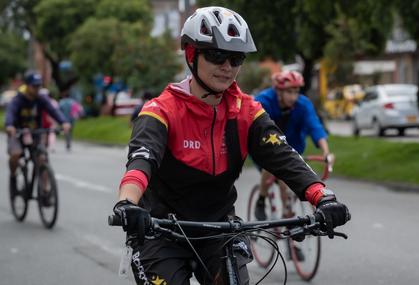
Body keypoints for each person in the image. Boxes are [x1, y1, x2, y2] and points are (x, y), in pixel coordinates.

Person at [111, 6, 350, 285]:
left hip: (219, 230)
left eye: (236, 58)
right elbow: (141, 162)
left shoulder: (246, 112)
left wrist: (324, 197)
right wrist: (127, 203)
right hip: (161, 231)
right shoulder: (161, 110)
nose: (227, 67)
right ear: (191, 54)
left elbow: (284, 157)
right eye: (216, 55)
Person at [253, 70, 334, 220]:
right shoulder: (264, 100)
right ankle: (261, 200)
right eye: (289, 92)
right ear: (278, 91)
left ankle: (287, 216)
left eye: (296, 91)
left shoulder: (303, 104)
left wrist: (326, 152)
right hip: (265, 149)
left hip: (293, 149)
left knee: (291, 185)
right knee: (273, 171)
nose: (293, 97)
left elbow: (315, 126)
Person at [5, 72, 71, 193]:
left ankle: (45, 190)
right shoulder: (18, 99)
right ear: (27, 85)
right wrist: (9, 126)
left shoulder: (41, 98)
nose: (37, 89)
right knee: (15, 154)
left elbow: (53, 110)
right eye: (34, 86)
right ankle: (13, 176)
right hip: (17, 132)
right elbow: (10, 113)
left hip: (35, 132)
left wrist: (64, 122)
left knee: (42, 158)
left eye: (39, 86)